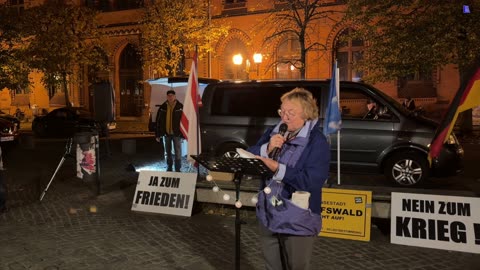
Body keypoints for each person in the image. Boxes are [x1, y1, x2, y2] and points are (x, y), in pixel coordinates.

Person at [247, 88, 330, 270]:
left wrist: (278, 168)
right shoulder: (273, 132)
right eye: (281, 112)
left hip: (298, 217)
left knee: (296, 265)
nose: (284, 118)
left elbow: (312, 181)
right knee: (272, 265)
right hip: (269, 212)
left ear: (306, 114)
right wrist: (267, 148)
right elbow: (250, 154)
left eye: (290, 113)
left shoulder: (317, 142)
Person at [155, 90, 184, 172]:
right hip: (166, 133)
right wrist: (157, 134)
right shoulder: (163, 107)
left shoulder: (180, 106)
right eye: (169, 95)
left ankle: (178, 168)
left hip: (177, 134)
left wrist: (183, 134)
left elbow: (184, 121)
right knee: (167, 152)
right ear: (167, 97)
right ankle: (169, 167)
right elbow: (158, 121)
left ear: (175, 96)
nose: (170, 97)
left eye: (172, 95)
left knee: (178, 152)